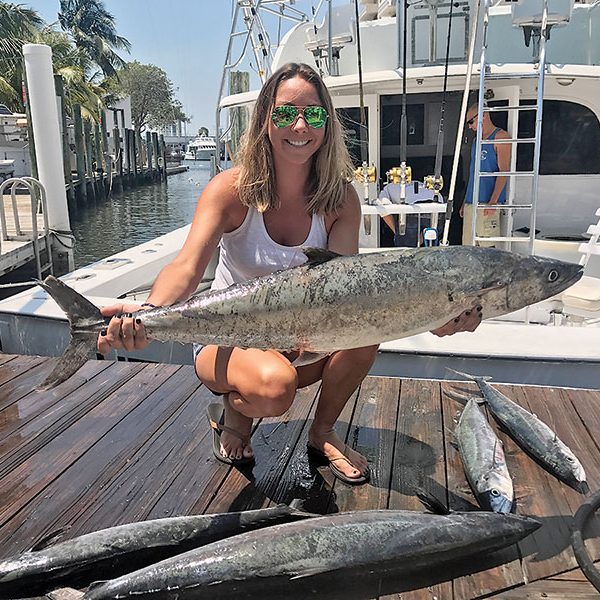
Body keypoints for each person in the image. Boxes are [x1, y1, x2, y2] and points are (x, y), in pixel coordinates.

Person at [96, 63, 482, 485]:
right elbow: (186, 267)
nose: (299, 125)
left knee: (365, 331)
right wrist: (149, 313)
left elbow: (341, 290)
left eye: (313, 115)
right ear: (265, 120)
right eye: (285, 114)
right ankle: (234, 414)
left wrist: (432, 319)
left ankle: (322, 431)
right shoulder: (231, 190)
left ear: (327, 124)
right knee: (275, 389)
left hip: (302, 340)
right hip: (224, 339)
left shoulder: (340, 200)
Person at [460, 103, 511, 246]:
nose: (470, 127)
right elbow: (473, 172)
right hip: (472, 203)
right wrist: (465, 201)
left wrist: (493, 202)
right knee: (468, 249)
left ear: (483, 115)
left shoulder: (501, 137)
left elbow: (504, 171)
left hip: (488, 204)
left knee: (488, 250)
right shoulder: (477, 140)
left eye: (471, 121)